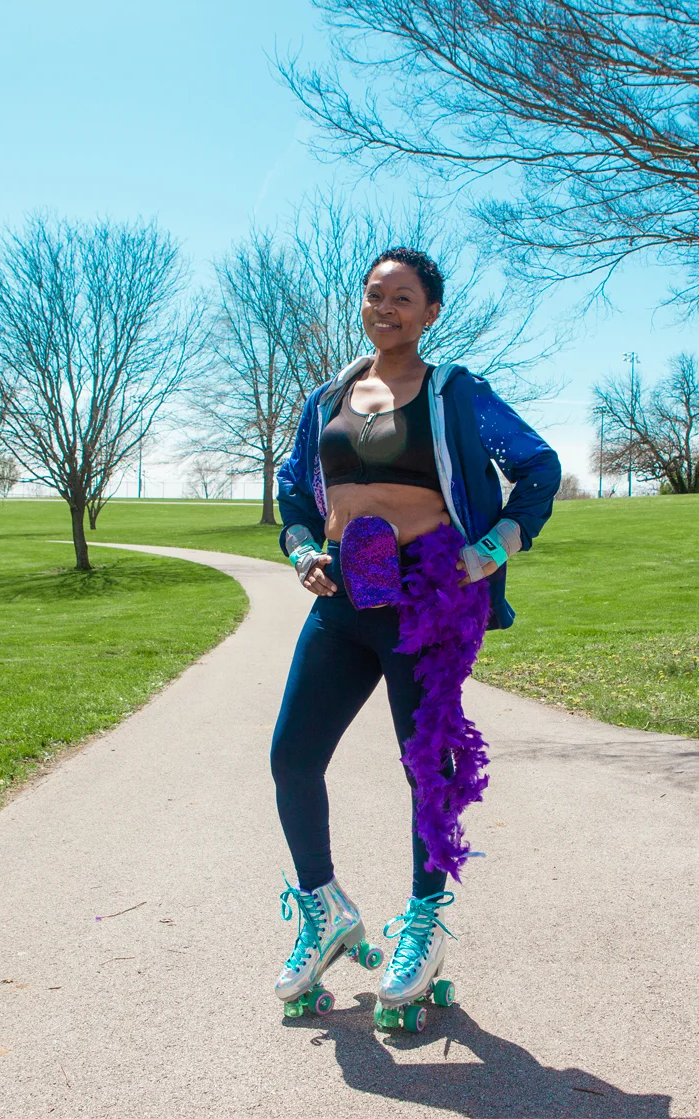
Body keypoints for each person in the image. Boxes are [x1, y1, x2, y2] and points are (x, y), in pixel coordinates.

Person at [269, 246, 560, 1031]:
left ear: (430, 312)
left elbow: (538, 468)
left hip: (426, 598)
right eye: (373, 295)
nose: (384, 306)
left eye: (402, 297)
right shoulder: (327, 394)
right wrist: (301, 549)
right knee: (291, 756)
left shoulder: (454, 393)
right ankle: (323, 906)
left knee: (424, 769)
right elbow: (294, 487)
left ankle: (423, 922)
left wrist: (490, 550)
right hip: (344, 595)